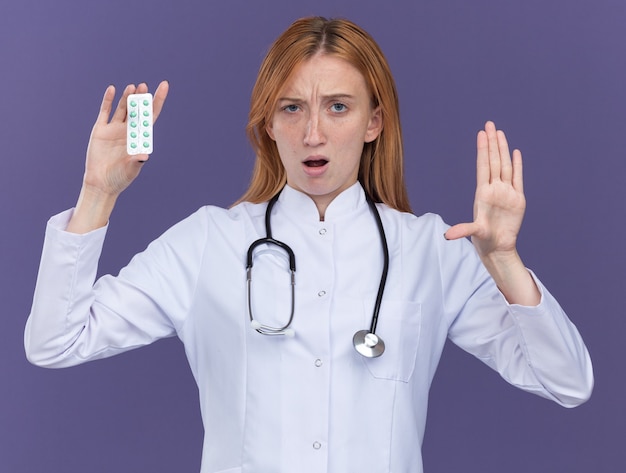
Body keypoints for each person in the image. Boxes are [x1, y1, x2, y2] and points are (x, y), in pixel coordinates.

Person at [25, 16, 593, 473]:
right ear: (267, 124)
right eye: (291, 108)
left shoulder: (432, 250)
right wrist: (98, 194)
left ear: (375, 122)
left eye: (338, 107)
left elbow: (567, 383)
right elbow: (55, 342)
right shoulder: (209, 242)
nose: (312, 133)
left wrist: (503, 261)